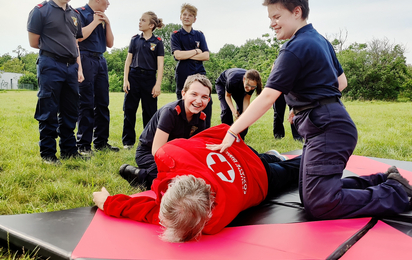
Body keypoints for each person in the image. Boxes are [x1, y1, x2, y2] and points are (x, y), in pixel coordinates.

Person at [207, 0, 412, 220]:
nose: (272, 24)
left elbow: (267, 96)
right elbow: (341, 82)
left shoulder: (294, 47)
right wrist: (304, 103)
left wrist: (232, 131)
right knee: (310, 195)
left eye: (276, 17)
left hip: (328, 129)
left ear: (297, 12)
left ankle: (396, 192)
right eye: (270, 19)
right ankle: (385, 179)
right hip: (328, 125)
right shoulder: (319, 40)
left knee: (321, 203)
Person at [93, 124, 301, 242]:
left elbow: (147, 211)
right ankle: (274, 156)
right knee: (280, 165)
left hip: (260, 178)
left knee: (294, 170)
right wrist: (108, 202)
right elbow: (218, 132)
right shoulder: (172, 153)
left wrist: (109, 202)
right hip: (246, 161)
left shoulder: (210, 222)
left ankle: (285, 156)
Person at [119, 74, 211, 189]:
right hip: (148, 153)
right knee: (174, 181)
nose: (198, 101)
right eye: (194, 94)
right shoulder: (170, 112)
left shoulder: (201, 118)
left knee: (194, 178)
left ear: (209, 99)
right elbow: (157, 150)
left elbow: (196, 150)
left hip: (176, 156)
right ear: (183, 94)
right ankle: (137, 175)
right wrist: (179, 168)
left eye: (204, 97)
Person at [27, 0, 84, 164]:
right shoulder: (40, 11)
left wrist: (79, 68)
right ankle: (48, 153)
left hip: (71, 66)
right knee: (49, 109)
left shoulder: (75, 14)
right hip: (50, 64)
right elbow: (33, 42)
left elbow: (75, 42)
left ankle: (69, 150)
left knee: (70, 109)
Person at [76, 0, 119, 154]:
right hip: (85, 58)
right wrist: (95, 22)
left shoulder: (102, 16)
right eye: (107, 0)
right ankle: (83, 144)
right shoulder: (79, 12)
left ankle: (101, 142)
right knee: (86, 102)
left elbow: (110, 43)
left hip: (101, 60)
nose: (108, 3)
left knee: (102, 103)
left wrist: (107, 23)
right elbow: (79, 37)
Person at [122, 12, 165, 149]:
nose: (140, 22)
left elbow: (160, 65)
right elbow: (128, 61)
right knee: (129, 110)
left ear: (151, 25)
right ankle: (128, 142)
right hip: (133, 77)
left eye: (143, 20)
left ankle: (148, 141)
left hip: (149, 79)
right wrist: (125, 80)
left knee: (150, 112)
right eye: (139, 19)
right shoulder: (135, 39)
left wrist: (157, 84)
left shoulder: (157, 42)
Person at [171, 3, 212, 128]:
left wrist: (186, 54)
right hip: (183, 72)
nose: (187, 17)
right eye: (184, 15)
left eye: (190, 15)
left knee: (206, 101)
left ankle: (205, 132)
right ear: (180, 17)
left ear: (195, 19)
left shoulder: (199, 35)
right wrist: (195, 51)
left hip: (199, 71)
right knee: (183, 102)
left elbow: (206, 56)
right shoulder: (176, 35)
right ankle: (182, 131)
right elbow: (177, 55)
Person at [215, 68, 262, 140]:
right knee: (226, 109)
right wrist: (234, 111)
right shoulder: (233, 79)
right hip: (223, 84)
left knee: (243, 113)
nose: (249, 88)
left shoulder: (252, 85)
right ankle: (226, 135)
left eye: (253, 87)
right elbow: (227, 96)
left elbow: (246, 99)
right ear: (244, 79)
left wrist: (244, 115)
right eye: (248, 85)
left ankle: (240, 137)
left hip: (240, 87)